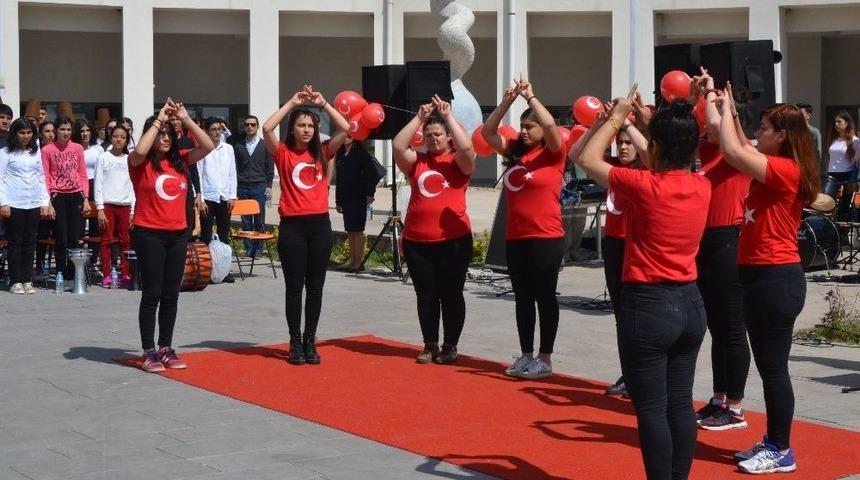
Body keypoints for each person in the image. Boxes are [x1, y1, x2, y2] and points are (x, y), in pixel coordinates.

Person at [576, 87, 710, 480]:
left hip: (648, 304)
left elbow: (585, 158)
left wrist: (616, 117)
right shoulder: (701, 184)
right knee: (680, 405)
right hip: (690, 303)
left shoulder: (644, 185)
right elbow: (666, 158)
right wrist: (642, 124)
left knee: (651, 409)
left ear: (656, 146)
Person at [717, 85, 819, 475]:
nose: (758, 132)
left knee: (774, 369)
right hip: (761, 278)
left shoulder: (785, 169)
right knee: (768, 366)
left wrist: (727, 108)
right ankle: (773, 440)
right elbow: (737, 141)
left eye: (765, 127)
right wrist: (717, 103)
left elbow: (731, 149)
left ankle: (781, 449)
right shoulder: (770, 161)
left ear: (783, 136)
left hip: (776, 280)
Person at [482, 76, 566, 379]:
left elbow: (554, 130)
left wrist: (531, 97)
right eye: (522, 126)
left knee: (545, 296)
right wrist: (507, 102)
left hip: (546, 237)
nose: (524, 131)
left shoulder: (554, 154)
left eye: (530, 126)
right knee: (522, 298)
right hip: (516, 237)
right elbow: (488, 131)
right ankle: (526, 355)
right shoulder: (515, 153)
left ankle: (545, 357)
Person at [568, 97, 650, 397]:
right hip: (615, 247)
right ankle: (628, 374)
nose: (623, 147)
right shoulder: (612, 168)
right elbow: (578, 155)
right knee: (621, 315)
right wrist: (602, 124)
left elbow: (652, 152)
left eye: (629, 143)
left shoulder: (652, 171)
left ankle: (643, 375)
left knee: (638, 315)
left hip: (638, 248)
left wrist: (627, 120)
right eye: (620, 143)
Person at [262, 85, 349, 365]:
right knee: (293, 287)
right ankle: (294, 341)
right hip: (292, 229)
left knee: (315, 287)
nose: (307, 130)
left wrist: (323, 104)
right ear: (293, 128)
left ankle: (310, 339)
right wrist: (292, 102)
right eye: (301, 125)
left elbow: (346, 129)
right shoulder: (284, 153)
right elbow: (266, 128)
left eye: (311, 125)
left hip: (319, 227)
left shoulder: (323, 152)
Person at [128, 98, 214, 373]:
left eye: (168, 135)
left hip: (178, 235)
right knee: (151, 293)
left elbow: (208, 146)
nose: (165, 139)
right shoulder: (139, 163)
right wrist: (159, 119)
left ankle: (165, 347)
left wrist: (185, 119)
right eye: (160, 135)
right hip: (149, 233)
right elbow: (140, 148)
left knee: (171, 294)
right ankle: (148, 350)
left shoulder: (182, 162)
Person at [690, 70, 753, 432]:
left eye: (716, 115)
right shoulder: (712, 151)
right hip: (708, 243)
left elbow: (719, 123)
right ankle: (718, 399)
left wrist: (716, 95)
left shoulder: (740, 152)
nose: (707, 126)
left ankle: (736, 407)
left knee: (731, 328)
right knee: (715, 327)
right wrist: (703, 94)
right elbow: (704, 121)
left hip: (730, 241)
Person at [393, 95, 475, 364]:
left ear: (449, 137)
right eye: (428, 135)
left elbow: (467, 149)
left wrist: (448, 116)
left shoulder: (458, 163)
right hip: (418, 241)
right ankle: (430, 344)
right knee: (425, 295)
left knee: (451, 294)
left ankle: (450, 344)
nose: (432, 139)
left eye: (438, 134)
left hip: (453, 241)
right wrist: (420, 117)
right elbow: (397, 145)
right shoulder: (417, 162)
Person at [0, 118, 53, 294]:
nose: (26, 136)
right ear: (15, 133)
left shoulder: (35, 152)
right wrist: (4, 203)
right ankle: (15, 280)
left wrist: (44, 202)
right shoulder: (6, 153)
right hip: (14, 202)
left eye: (29, 133)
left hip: (33, 201)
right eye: (22, 133)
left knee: (30, 242)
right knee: (16, 242)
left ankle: (26, 278)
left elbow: (41, 177)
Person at [41, 116, 90, 287]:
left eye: (69, 129)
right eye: (62, 129)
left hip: (76, 194)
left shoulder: (77, 148)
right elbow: (46, 177)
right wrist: (47, 201)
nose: (66, 133)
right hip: (57, 196)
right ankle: (61, 274)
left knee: (75, 238)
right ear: (56, 131)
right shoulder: (47, 150)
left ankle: (73, 276)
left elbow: (83, 174)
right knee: (61, 238)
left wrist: (85, 198)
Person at [197, 117, 237, 283]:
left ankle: (224, 270)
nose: (216, 132)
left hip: (224, 197)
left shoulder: (228, 149)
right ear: (206, 131)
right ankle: (208, 271)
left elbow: (232, 173)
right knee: (206, 235)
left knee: (223, 235)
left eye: (219, 129)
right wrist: (201, 198)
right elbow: (198, 174)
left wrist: (232, 195)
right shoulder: (202, 149)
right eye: (213, 129)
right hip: (208, 197)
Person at [94, 125, 134, 288]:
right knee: (106, 241)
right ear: (110, 137)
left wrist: (132, 210)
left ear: (127, 140)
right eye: (116, 136)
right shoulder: (103, 157)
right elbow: (98, 183)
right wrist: (100, 208)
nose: (119, 139)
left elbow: (133, 185)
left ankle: (125, 274)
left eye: (122, 137)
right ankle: (107, 274)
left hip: (125, 205)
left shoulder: (130, 159)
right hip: (108, 205)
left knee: (126, 241)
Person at [334, 135, 381, 272]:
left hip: (358, 195)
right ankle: (352, 261)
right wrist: (338, 200)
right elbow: (339, 180)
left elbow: (372, 173)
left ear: (355, 138)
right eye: (344, 135)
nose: (345, 138)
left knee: (358, 229)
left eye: (349, 136)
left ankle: (358, 262)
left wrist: (370, 193)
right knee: (350, 229)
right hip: (346, 196)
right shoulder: (341, 154)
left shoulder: (360, 153)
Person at [234, 114, 274, 258]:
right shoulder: (238, 146)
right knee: (245, 220)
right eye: (247, 125)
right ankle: (248, 248)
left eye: (252, 124)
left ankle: (258, 250)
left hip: (259, 186)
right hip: (243, 187)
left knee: (259, 219)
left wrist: (269, 186)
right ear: (244, 127)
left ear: (257, 126)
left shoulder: (265, 145)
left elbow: (270, 167)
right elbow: (235, 168)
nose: (250, 127)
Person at [72, 118, 105, 261]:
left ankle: (92, 258)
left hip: (96, 185)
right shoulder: (74, 148)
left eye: (87, 130)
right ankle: (78, 257)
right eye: (82, 131)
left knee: (95, 227)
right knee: (78, 224)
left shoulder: (98, 149)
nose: (85, 134)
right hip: (79, 187)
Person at [825, 110, 860, 220]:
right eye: (835, 122)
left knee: (844, 207)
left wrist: (853, 180)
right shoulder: (835, 140)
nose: (836, 124)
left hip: (846, 176)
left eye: (839, 122)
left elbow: (857, 162)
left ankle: (843, 233)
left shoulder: (855, 141)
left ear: (847, 123)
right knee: (827, 203)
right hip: (832, 175)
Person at [796, 103, 822, 174]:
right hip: (794, 167)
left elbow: (818, 152)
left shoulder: (814, 132)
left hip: (809, 168)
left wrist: (814, 170)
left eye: (801, 114)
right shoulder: (793, 132)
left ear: (808, 116)